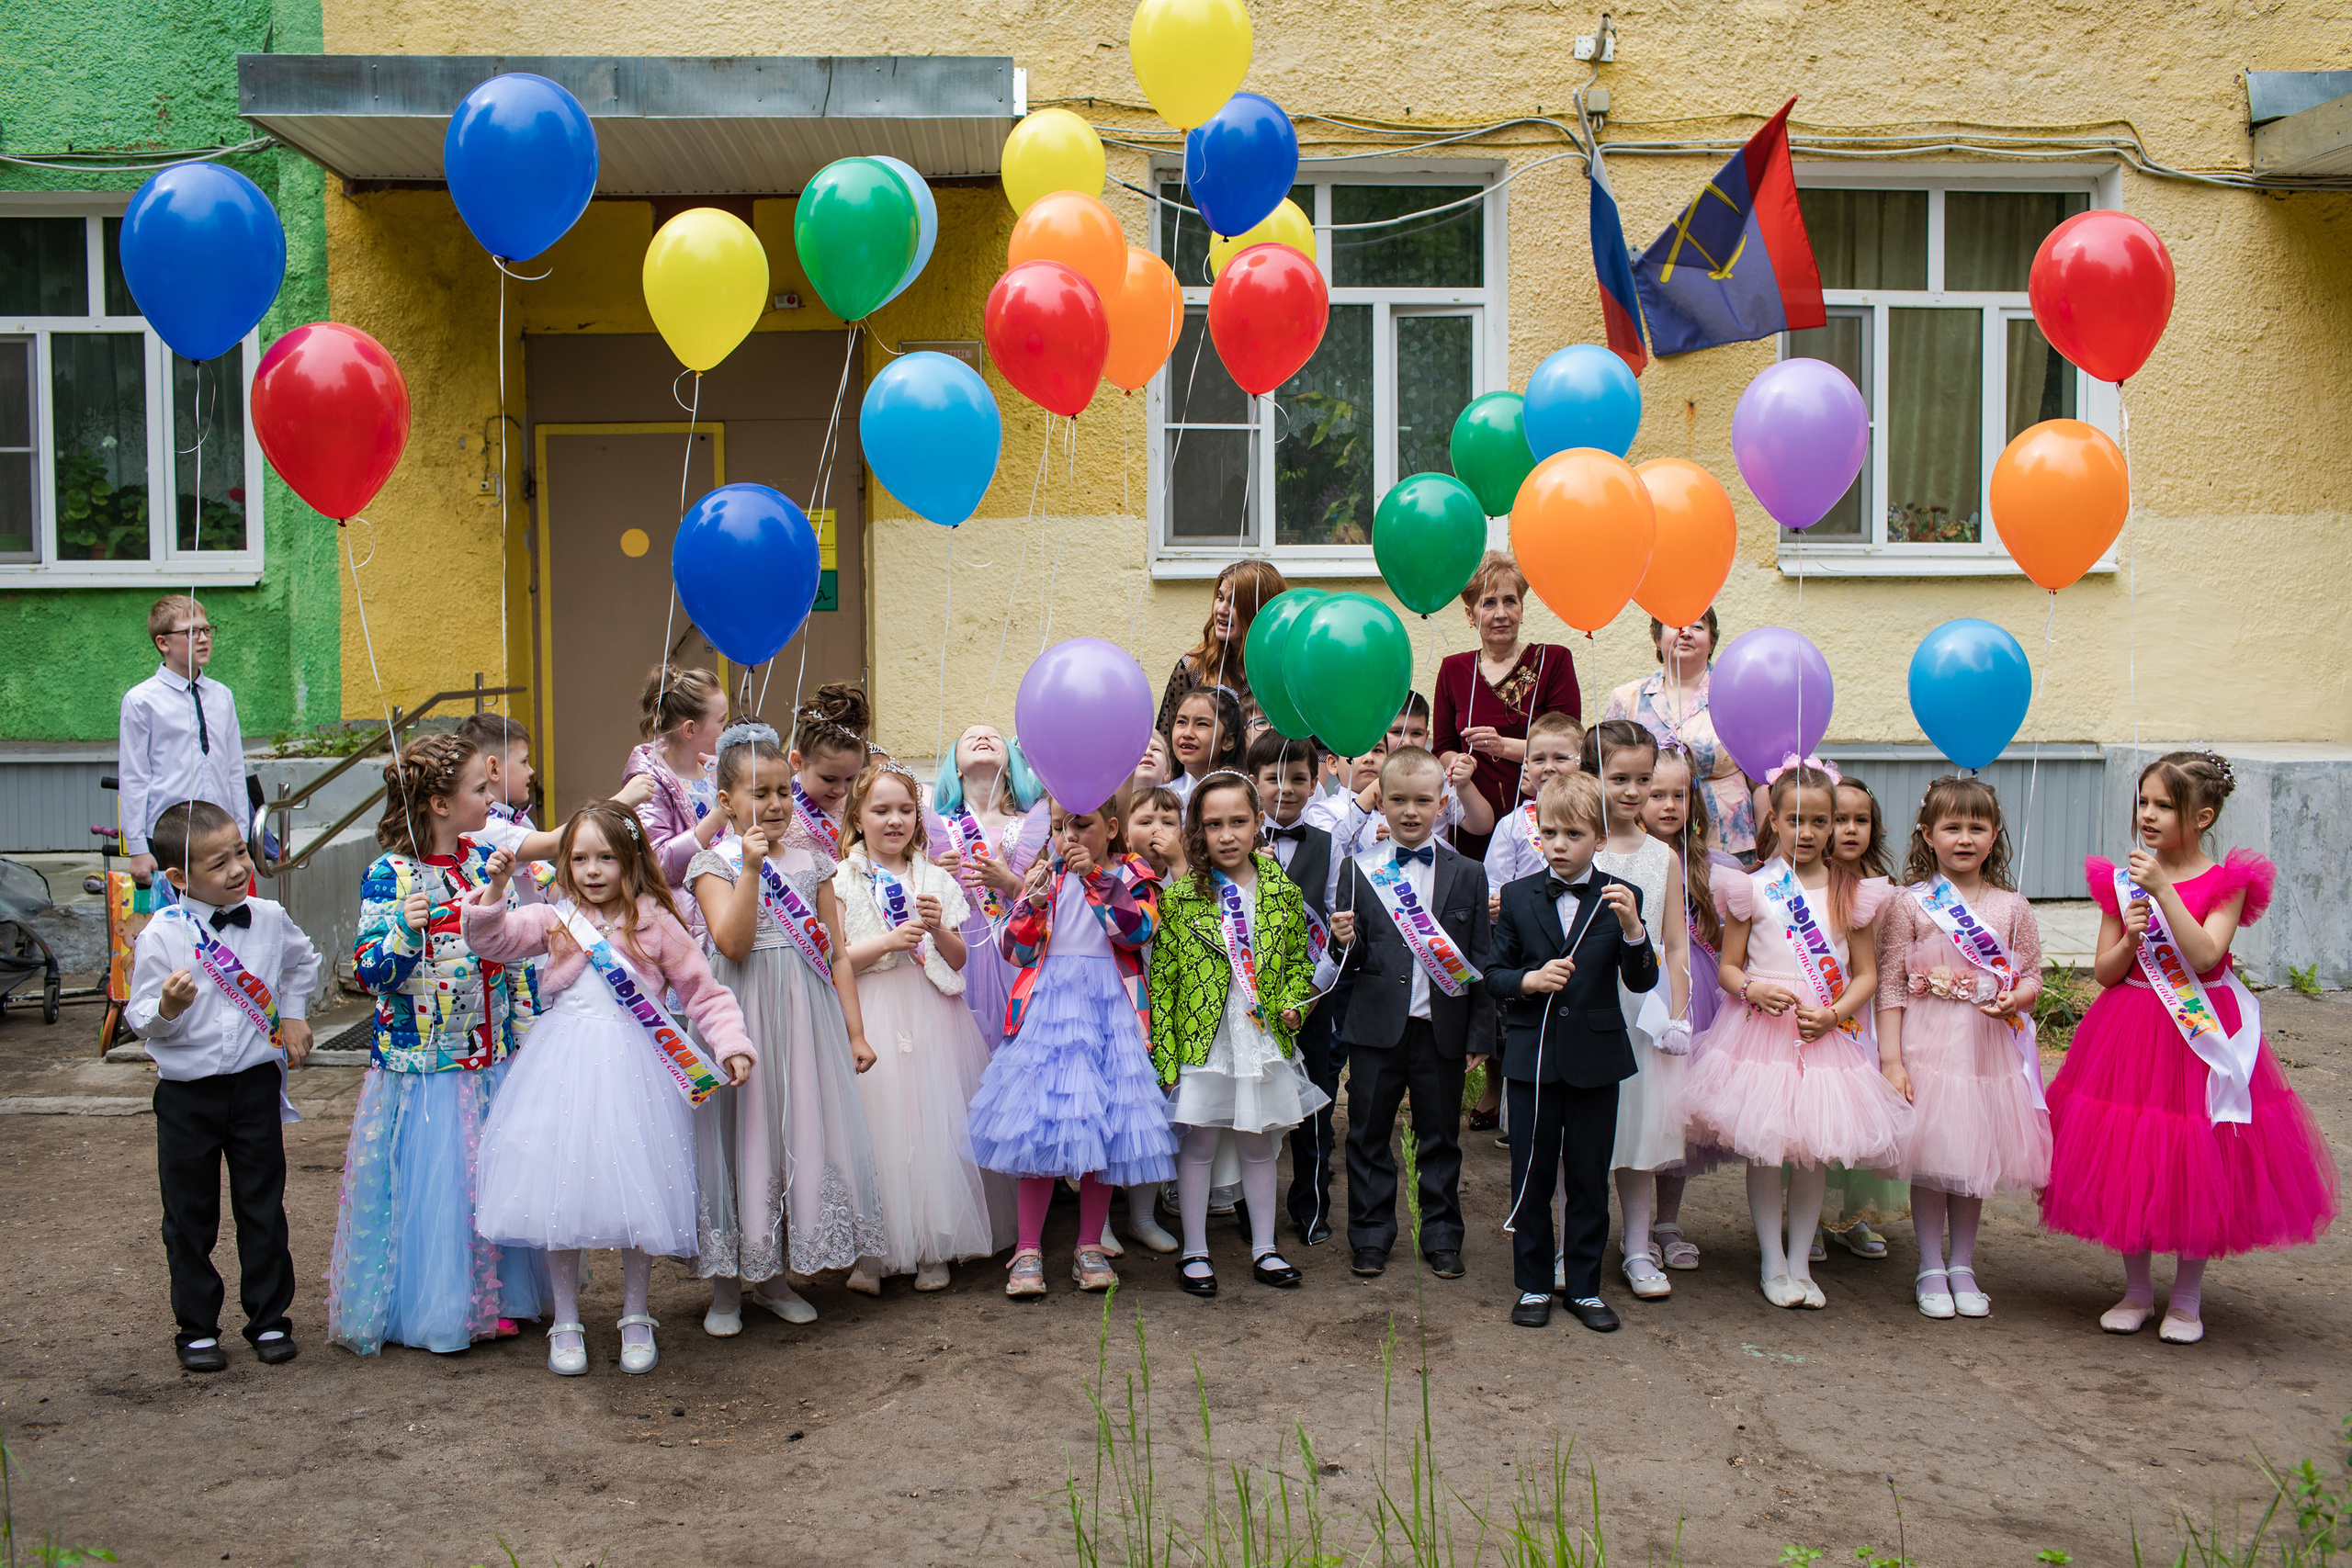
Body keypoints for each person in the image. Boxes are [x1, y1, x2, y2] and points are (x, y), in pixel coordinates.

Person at [2041, 751, 2338, 1345]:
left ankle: (2186, 1296)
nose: (2147, 815)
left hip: (2197, 1032)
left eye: (2163, 806)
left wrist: (2164, 894)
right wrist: (2129, 935)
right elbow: (2103, 971)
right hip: (2129, 1026)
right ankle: (2136, 1290)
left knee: (2198, 1153)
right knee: (2128, 1153)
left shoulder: (2226, 882)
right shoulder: (2120, 881)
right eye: (2143, 802)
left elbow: (2206, 956)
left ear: (2202, 816)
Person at [464, 805, 755, 1376]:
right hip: (563, 1066)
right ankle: (566, 1319)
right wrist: (496, 886)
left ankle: (636, 1314)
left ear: (630, 863)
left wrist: (731, 1043)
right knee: (561, 1187)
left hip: (636, 1069)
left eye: (606, 858)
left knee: (638, 1188)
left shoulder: (655, 921)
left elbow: (702, 991)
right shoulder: (552, 917)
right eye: (579, 858)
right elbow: (491, 940)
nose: (593, 870)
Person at [328, 735, 547, 1356]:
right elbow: (370, 970)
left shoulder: (483, 859)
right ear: (438, 804)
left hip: (489, 1058)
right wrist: (403, 928)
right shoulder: (390, 875)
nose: (490, 799)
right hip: (427, 1069)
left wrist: (524, 1035)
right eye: (480, 790)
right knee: (442, 1189)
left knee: (492, 1180)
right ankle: (447, 1304)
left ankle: (499, 1296)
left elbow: (507, 954)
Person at [1679, 760, 1912, 1311]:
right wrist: (1751, 990)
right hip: (1761, 1035)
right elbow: (1730, 968)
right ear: (1774, 822)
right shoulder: (1749, 888)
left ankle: (1802, 1261)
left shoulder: (1852, 894)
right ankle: (1771, 1261)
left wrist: (1835, 1015)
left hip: (1822, 1033)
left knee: (1811, 1155)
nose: (1805, 833)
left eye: (1818, 822)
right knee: (1767, 1152)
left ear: (1833, 826)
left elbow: (1866, 975)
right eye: (1794, 820)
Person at [687, 723, 886, 1334]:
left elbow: (835, 954)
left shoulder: (813, 863)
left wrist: (854, 1031)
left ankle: (773, 1278)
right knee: (738, 1136)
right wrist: (749, 868)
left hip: (802, 1021)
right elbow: (733, 942)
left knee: (786, 1133)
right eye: (757, 792)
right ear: (727, 802)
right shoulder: (711, 864)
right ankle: (727, 1286)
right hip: (739, 1019)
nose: (774, 804)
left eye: (781, 791)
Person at [127, 799, 317, 1371]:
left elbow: (301, 964)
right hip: (187, 1096)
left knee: (262, 1206)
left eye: (240, 852)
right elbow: (140, 1017)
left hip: (254, 1085)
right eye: (219, 863)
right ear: (179, 878)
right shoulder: (162, 935)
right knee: (190, 1214)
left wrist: (294, 1014)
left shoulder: (268, 916)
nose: (238, 868)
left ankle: (269, 1319)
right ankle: (196, 1327)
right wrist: (167, 1005)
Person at [967, 798, 1177, 1298]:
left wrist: (1098, 882)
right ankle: (1028, 1248)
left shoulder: (1134, 874)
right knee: (1041, 1127)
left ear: (1110, 828)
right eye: (1061, 827)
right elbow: (1015, 951)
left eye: (1081, 825)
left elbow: (1139, 930)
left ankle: (1088, 1245)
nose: (1069, 837)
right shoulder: (1047, 875)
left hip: (1110, 1011)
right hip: (1050, 1010)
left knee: (1103, 1128)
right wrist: (1033, 902)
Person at [1487, 773, 1659, 1333]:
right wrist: (1530, 981)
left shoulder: (1617, 899)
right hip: (1532, 1059)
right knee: (1532, 1173)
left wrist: (1633, 929)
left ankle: (1584, 1287)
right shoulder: (1516, 897)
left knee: (1588, 1176)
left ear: (1600, 840)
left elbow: (1642, 980)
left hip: (1595, 1059)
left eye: (1574, 835)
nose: (1559, 845)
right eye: (1550, 833)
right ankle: (1534, 1284)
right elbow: (1492, 974)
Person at [835, 761, 1013, 1295]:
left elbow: (958, 959)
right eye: (881, 810)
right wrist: (890, 942)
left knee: (932, 1123)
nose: (895, 821)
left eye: (906, 810)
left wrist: (937, 928)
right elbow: (837, 958)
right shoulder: (841, 879)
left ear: (919, 817)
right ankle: (873, 1251)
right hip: (872, 1007)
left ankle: (935, 1242)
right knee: (878, 1126)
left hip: (933, 1012)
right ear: (858, 817)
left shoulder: (936, 878)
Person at [1876, 776, 2051, 1321]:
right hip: (1926, 1042)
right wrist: (1891, 1060)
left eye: (1978, 827)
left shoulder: (2013, 906)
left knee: (1972, 1156)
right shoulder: (1910, 903)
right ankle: (1930, 1265)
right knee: (1932, 1159)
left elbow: (2033, 977)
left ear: (1995, 834)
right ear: (1928, 835)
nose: (1965, 839)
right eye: (1952, 827)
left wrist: (2015, 1000)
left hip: (1984, 1046)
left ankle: (1963, 1265)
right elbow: (1889, 984)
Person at [1148, 773, 1329, 1294]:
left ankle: (1265, 1248)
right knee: (1199, 1142)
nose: (1226, 835)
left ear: (1257, 824)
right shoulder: (1182, 898)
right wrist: (1165, 1053)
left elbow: (1300, 960)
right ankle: (1196, 1251)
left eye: (1238, 822)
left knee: (1259, 1143)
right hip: (1203, 1038)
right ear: (1196, 833)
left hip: (1260, 1040)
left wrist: (1297, 1008)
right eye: (1213, 825)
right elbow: (1164, 980)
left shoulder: (1281, 893)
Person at [1326, 746, 1492, 1280]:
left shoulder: (1468, 873)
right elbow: (1349, 960)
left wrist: (1480, 1033)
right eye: (1398, 800)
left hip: (1441, 1030)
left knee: (1441, 1137)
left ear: (1444, 803)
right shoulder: (1360, 869)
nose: (1411, 811)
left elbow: (1482, 958)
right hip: (1376, 1029)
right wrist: (1340, 940)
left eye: (1424, 800)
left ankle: (1442, 1235)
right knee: (1367, 1135)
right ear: (1382, 804)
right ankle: (1370, 1235)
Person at [1582, 721, 1693, 1303]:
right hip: (1582, 1002)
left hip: (1642, 1008)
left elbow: (1674, 943)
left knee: (1641, 1127)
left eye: (1643, 780)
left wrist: (1677, 1014)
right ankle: (1571, 1243)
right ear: (1591, 776)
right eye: (1618, 777)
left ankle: (1637, 1245)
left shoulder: (1662, 857)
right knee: (1582, 1129)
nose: (1631, 792)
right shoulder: (1574, 842)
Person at [1639, 747, 1736, 1272]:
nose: (1669, 805)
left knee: (1679, 1110)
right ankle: (1633, 1226)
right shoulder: (1621, 855)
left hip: (1692, 994)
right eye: (1658, 795)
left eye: (1679, 795)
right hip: (1636, 987)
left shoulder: (1716, 867)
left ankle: (1667, 1222)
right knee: (1643, 1106)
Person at [1250, 733, 1344, 1247]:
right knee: (1250, 1102)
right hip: (1245, 997)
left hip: (1307, 1000)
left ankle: (1311, 1207)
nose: (1285, 789)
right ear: (1255, 781)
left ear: (1315, 783)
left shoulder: (1330, 846)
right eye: (1273, 779)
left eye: (1299, 779)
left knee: (1315, 1107)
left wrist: (1310, 989)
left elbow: (1334, 920)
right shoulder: (1236, 838)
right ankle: (1247, 1210)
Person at [1474, 712, 1585, 1134]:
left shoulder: (1596, 821)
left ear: (1582, 761)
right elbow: (1494, 886)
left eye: (1562, 756)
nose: (1549, 766)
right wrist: (1500, 905)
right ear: (1526, 767)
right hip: (1526, 947)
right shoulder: (1514, 825)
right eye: (1538, 758)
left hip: (1579, 940)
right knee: (1521, 1027)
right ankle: (1521, 1115)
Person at [1432, 554, 1582, 862]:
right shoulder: (1453, 669)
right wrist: (1460, 762)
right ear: (1470, 614)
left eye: (1510, 601)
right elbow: (1443, 746)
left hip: (1544, 819)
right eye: (1488, 603)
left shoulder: (1552, 661)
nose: (1501, 613)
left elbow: (1570, 746)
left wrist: (1501, 745)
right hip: (1473, 818)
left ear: (1522, 608)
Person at [1815, 773, 1906, 1262]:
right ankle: (1806, 1220)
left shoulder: (1882, 890)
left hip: (1865, 1020)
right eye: (1841, 819)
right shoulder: (1808, 879)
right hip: (1822, 1011)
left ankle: (1854, 1216)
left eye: (1862, 820)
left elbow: (1887, 964)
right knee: (1819, 1117)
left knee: (1862, 1120)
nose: (1851, 829)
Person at [927, 724, 1051, 1052]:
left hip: (1012, 945)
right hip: (958, 943)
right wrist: (937, 876)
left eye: (994, 737)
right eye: (970, 737)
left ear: (1010, 764)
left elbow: (1048, 897)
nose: (983, 738)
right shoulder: (935, 827)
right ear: (955, 766)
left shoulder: (1034, 824)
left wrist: (1009, 883)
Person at [1602, 611, 1758, 863]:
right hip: (1643, 841)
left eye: (1697, 626)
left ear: (1711, 641)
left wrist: (1770, 846)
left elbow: (1761, 780)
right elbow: (1604, 773)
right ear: (1657, 638)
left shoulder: (1740, 695)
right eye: (1675, 625)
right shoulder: (1626, 697)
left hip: (1727, 842)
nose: (1685, 632)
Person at [119, 595, 247, 897]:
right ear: (163, 642)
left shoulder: (221, 695)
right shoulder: (142, 700)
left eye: (206, 630)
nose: (203, 639)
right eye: (191, 632)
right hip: (169, 835)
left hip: (220, 833)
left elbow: (234, 770)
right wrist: (137, 847)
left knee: (224, 924)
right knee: (175, 927)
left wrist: (242, 837)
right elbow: (134, 776)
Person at [624, 663, 732, 897]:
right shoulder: (648, 783)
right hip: (682, 912)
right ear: (690, 730)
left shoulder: (716, 767)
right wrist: (717, 817)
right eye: (721, 721)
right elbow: (658, 864)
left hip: (724, 898)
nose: (726, 729)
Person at [1155, 559, 1288, 738]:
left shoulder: (1287, 669)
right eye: (1220, 598)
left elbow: (1320, 750)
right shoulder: (1192, 667)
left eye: (1233, 602)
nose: (1221, 610)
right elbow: (1166, 744)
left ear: (1260, 609)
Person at [786, 683, 873, 856]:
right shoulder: (776, 814)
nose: (840, 790)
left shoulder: (861, 809)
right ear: (797, 761)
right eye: (828, 778)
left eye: (850, 778)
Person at [1165, 684, 1247, 807]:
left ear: (1228, 740)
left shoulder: (1242, 797)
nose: (1187, 733)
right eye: (1182, 722)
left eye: (1202, 724)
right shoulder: (1161, 798)